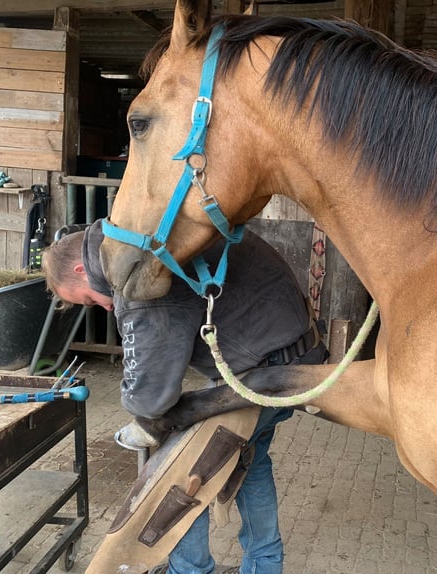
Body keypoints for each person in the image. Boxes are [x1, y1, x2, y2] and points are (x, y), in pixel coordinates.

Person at [43, 219, 327, 574]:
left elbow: (151, 398)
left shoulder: (136, 273)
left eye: (89, 299)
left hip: (266, 373)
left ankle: (191, 570)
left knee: (181, 468)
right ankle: (265, 564)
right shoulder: (146, 234)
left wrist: (143, 417)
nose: (106, 307)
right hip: (295, 359)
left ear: (81, 269)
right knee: (250, 459)